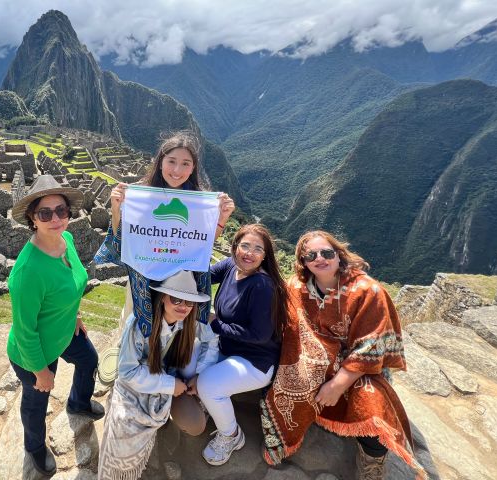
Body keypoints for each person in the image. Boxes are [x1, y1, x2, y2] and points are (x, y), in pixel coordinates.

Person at [260, 230, 425, 480]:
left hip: (358, 368)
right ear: (303, 262)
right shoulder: (297, 287)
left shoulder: (368, 292)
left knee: (372, 407)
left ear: (339, 255)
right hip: (316, 360)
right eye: (311, 255)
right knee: (288, 384)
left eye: (327, 253)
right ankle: (286, 437)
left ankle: (372, 460)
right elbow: (289, 324)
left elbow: (372, 345)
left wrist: (337, 385)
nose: (320, 259)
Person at [6, 174, 103, 477]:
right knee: (37, 402)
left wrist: (74, 314)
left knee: (89, 359)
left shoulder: (68, 241)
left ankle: (78, 403)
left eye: (61, 210)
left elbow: (71, 284)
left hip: (64, 330)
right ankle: (34, 447)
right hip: (34, 351)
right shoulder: (28, 272)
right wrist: (40, 371)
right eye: (45, 213)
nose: (55, 219)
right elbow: (24, 330)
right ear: (33, 219)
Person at [94, 131, 235, 334]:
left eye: (186, 163)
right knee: (136, 337)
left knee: (175, 338)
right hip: (143, 281)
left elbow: (200, 245)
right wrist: (116, 209)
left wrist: (220, 220)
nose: (177, 170)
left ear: (193, 167)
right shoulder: (140, 196)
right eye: (172, 161)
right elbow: (122, 241)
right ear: (160, 162)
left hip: (182, 283)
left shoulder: (199, 203)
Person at [98, 270, 218, 479]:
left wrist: (199, 374)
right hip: (141, 382)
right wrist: (170, 385)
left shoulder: (191, 322)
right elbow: (128, 372)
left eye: (190, 302)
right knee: (124, 426)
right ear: (163, 298)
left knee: (196, 426)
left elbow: (212, 341)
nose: (183, 307)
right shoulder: (139, 324)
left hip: (170, 381)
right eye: (176, 299)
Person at [197, 224, 288, 465]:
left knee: (207, 384)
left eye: (257, 249)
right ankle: (214, 406)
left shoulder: (262, 286)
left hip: (254, 360)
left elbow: (259, 335)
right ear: (235, 247)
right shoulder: (230, 266)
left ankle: (232, 435)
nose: (249, 253)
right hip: (227, 348)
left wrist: (216, 324)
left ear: (265, 255)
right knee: (187, 367)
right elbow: (203, 275)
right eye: (245, 245)